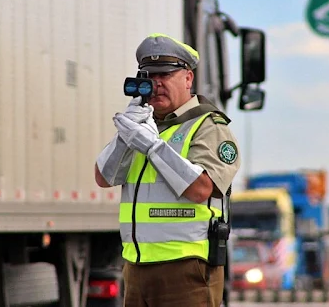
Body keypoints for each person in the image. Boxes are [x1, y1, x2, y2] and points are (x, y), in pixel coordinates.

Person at [94, 33, 242, 307]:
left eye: (166, 75)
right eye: (149, 76)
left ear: (188, 78)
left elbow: (201, 189)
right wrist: (125, 136)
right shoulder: (144, 126)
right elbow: (104, 177)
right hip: (137, 266)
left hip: (186, 268)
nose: (157, 83)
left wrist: (152, 146)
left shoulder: (209, 127)